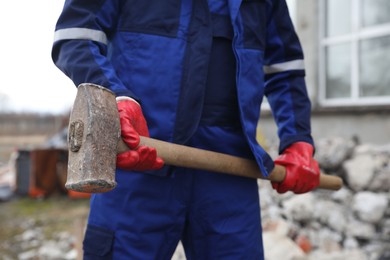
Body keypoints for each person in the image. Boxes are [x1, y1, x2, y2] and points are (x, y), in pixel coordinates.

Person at [52, 0, 320, 259]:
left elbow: (285, 67)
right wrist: (117, 99)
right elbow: (75, 34)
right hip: (139, 156)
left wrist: (297, 140)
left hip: (230, 168)